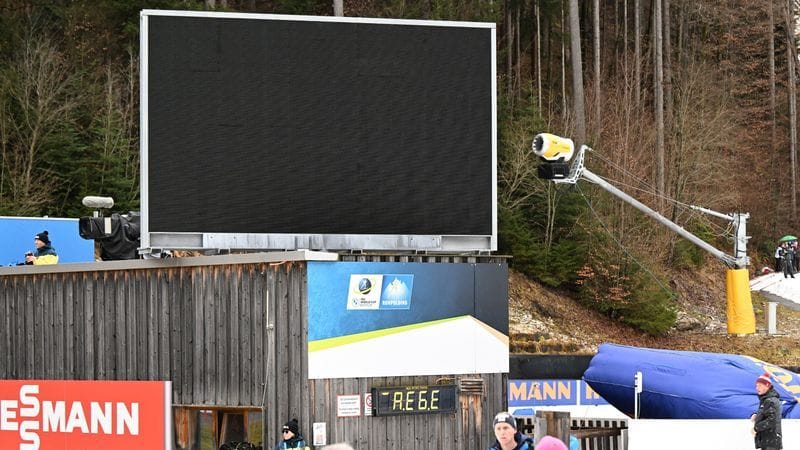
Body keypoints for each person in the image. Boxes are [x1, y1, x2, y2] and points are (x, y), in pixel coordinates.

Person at [750, 372, 782, 450]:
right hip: (768, 441)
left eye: (760, 385)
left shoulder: (770, 400)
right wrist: (757, 415)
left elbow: (771, 420)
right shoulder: (766, 399)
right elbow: (767, 413)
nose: (757, 388)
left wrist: (756, 428)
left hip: (770, 442)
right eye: (756, 386)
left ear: (767, 386)